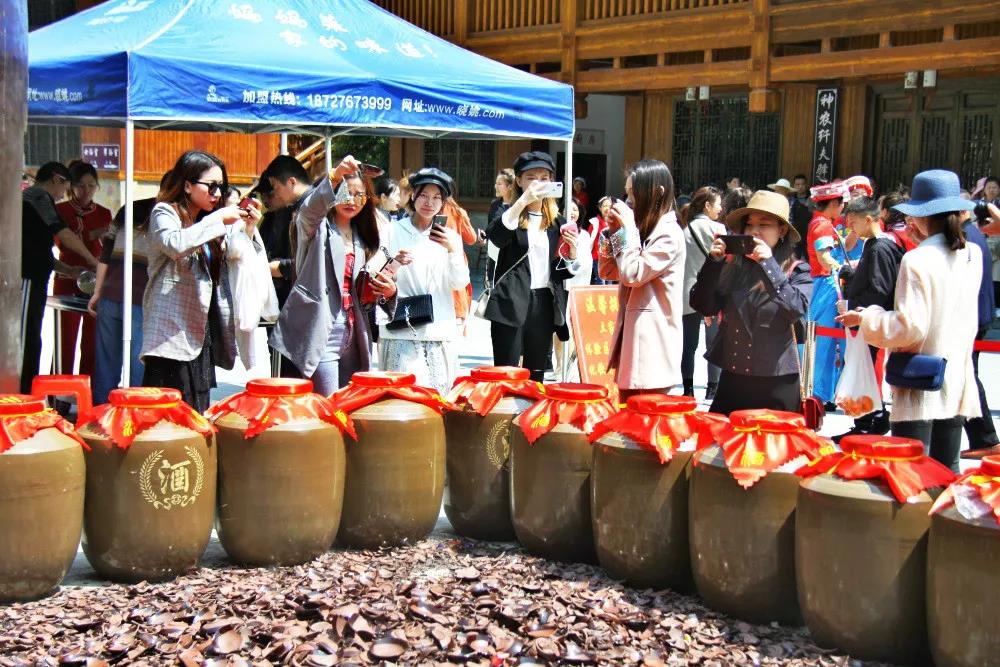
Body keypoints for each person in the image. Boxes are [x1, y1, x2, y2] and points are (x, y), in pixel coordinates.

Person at [838, 170, 982, 472]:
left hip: (920, 381)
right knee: (947, 472)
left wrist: (867, 318)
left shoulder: (918, 260)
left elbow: (909, 328)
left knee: (911, 472)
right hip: (956, 377)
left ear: (919, 215)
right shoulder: (972, 254)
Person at [142, 150, 261, 412]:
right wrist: (216, 220)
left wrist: (248, 228)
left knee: (197, 413)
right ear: (186, 184)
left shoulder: (206, 221)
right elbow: (175, 244)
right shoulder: (165, 212)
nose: (217, 193)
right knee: (167, 419)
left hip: (199, 335)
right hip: (168, 338)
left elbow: (233, 257)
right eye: (212, 186)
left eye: (222, 187)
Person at [272, 156, 397, 395]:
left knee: (350, 404)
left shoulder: (364, 238)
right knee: (328, 404)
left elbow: (363, 292)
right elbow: (310, 210)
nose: (352, 200)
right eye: (344, 192)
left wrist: (388, 289)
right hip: (322, 332)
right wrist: (335, 174)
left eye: (359, 194)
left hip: (354, 331)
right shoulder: (315, 228)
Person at [690, 190, 812, 415]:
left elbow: (796, 309)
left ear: (782, 230)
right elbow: (703, 305)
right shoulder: (732, 267)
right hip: (734, 379)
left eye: (764, 225)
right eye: (749, 225)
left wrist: (769, 264)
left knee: (774, 447)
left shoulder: (796, 270)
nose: (754, 231)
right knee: (721, 445)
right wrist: (713, 263)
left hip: (778, 381)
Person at [484, 151, 577, 382]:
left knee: (536, 375)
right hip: (510, 301)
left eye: (545, 178)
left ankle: (532, 418)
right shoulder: (510, 216)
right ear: (518, 180)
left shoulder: (558, 223)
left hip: (543, 302)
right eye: (531, 177)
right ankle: (504, 419)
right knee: (507, 373)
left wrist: (572, 255)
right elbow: (496, 237)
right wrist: (522, 201)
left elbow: (559, 271)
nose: (538, 183)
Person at [599, 159, 685, 401]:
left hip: (652, 352)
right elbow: (609, 271)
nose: (628, 202)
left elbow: (632, 273)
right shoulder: (644, 229)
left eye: (633, 194)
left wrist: (627, 230)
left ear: (656, 193)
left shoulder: (669, 234)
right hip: (632, 349)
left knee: (642, 430)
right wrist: (615, 232)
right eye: (626, 194)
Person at [379, 167, 469, 394]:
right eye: (424, 195)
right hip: (401, 326)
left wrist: (453, 252)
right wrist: (396, 263)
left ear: (444, 203)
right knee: (400, 397)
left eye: (437, 197)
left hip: (438, 327)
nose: (429, 202)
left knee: (437, 397)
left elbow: (459, 283)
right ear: (413, 196)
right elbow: (376, 274)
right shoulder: (392, 231)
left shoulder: (451, 237)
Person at [86, 172, 168, 404]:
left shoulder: (128, 209)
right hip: (141, 299)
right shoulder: (169, 217)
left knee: (106, 364)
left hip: (111, 295)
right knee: (137, 366)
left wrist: (98, 292)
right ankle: (132, 418)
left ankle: (100, 417)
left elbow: (105, 252)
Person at [20, 161, 100, 393]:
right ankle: (23, 393)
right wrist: (92, 260)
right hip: (27, 278)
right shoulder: (37, 196)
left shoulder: (36, 200)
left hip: (38, 275)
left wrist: (67, 269)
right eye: (64, 188)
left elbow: (40, 249)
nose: (61, 196)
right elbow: (64, 234)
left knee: (34, 336)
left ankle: (29, 390)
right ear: (56, 179)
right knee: (27, 337)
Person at [832, 196, 904, 441]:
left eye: (853, 223)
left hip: (872, 320)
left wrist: (853, 305)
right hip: (866, 319)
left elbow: (879, 290)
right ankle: (871, 418)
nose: (850, 229)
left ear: (869, 220)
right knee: (865, 368)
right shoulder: (872, 245)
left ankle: (869, 421)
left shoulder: (881, 247)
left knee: (868, 370)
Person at [54, 161, 112, 376]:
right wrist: (90, 235)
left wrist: (104, 237)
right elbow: (61, 241)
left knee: (92, 341)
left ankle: (89, 392)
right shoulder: (60, 210)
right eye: (80, 185)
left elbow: (110, 247)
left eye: (91, 185)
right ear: (71, 187)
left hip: (96, 279)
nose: (86, 191)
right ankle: (58, 394)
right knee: (65, 339)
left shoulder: (104, 213)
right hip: (67, 277)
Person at [957, 202, 999, 459]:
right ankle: (984, 438)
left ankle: (986, 438)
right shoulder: (972, 232)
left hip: (970, 317)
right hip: (979, 314)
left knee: (967, 376)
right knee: (966, 375)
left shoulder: (964, 236)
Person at [806, 181, 850, 410]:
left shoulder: (819, 222)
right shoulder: (823, 225)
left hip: (824, 282)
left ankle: (825, 391)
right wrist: (844, 268)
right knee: (825, 341)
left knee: (827, 340)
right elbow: (824, 257)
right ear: (834, 203)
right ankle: (821, 392)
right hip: (827, 283)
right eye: (842, 203)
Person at [680, 186, 725, 400]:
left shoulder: (684, 230)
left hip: (687, 293)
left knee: (688, 345)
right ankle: (713, 388)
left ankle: (687, 389)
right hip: (713, 292)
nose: (721, 208)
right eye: (718, 204)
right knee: (713, 342)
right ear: (707, 206)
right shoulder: (718, 229)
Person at [484, 169, 518, 293]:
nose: (495, 186)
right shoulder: (495, 204)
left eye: (499, 183)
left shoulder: (518, 206)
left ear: (509, 186)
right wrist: (484, 236)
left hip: (512, 254)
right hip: (494, 252)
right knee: (492, 285)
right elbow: (490, 227)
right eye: (496, 183)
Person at [789, 174, 814, 258]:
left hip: (809, 234)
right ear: (794, 186)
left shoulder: (812, 199)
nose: (800, 187)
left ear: (806, 185)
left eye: (802, 184)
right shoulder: (791, 200)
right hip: (795, 234)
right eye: (797, 184)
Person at [589, 196, 612, 284]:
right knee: (601, 282)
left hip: (611, 259)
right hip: (598, 258)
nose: (607, 208)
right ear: (600, 208)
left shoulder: (615, 222)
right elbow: (590, 241)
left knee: (609, 283)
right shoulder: (594, 223)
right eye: (605, 206)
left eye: (609, 206)